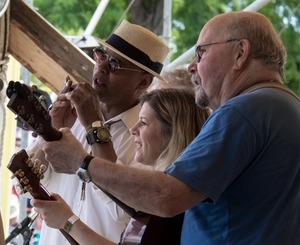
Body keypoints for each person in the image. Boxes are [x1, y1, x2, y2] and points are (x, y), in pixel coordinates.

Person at [32, 11, 300, 245]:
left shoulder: (244, 111)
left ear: (240, 53)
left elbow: (166, 196)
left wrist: (82, 161)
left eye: (201, 53)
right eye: (101, 56)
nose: (193, 66)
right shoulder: (285, 106)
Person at [25, 19, 170, 244]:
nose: (101, 67)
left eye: (114, 63)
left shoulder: (152, 135)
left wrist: (94, 125)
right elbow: (24, 185)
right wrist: (50, 129)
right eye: (101, 55)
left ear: (143, 81)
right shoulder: (71, 118)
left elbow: (125, 210)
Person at [31, 88, 210, 245]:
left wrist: (67, 221)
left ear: (173, 133)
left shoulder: (172, 197)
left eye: (144, 122)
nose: (133, 128)